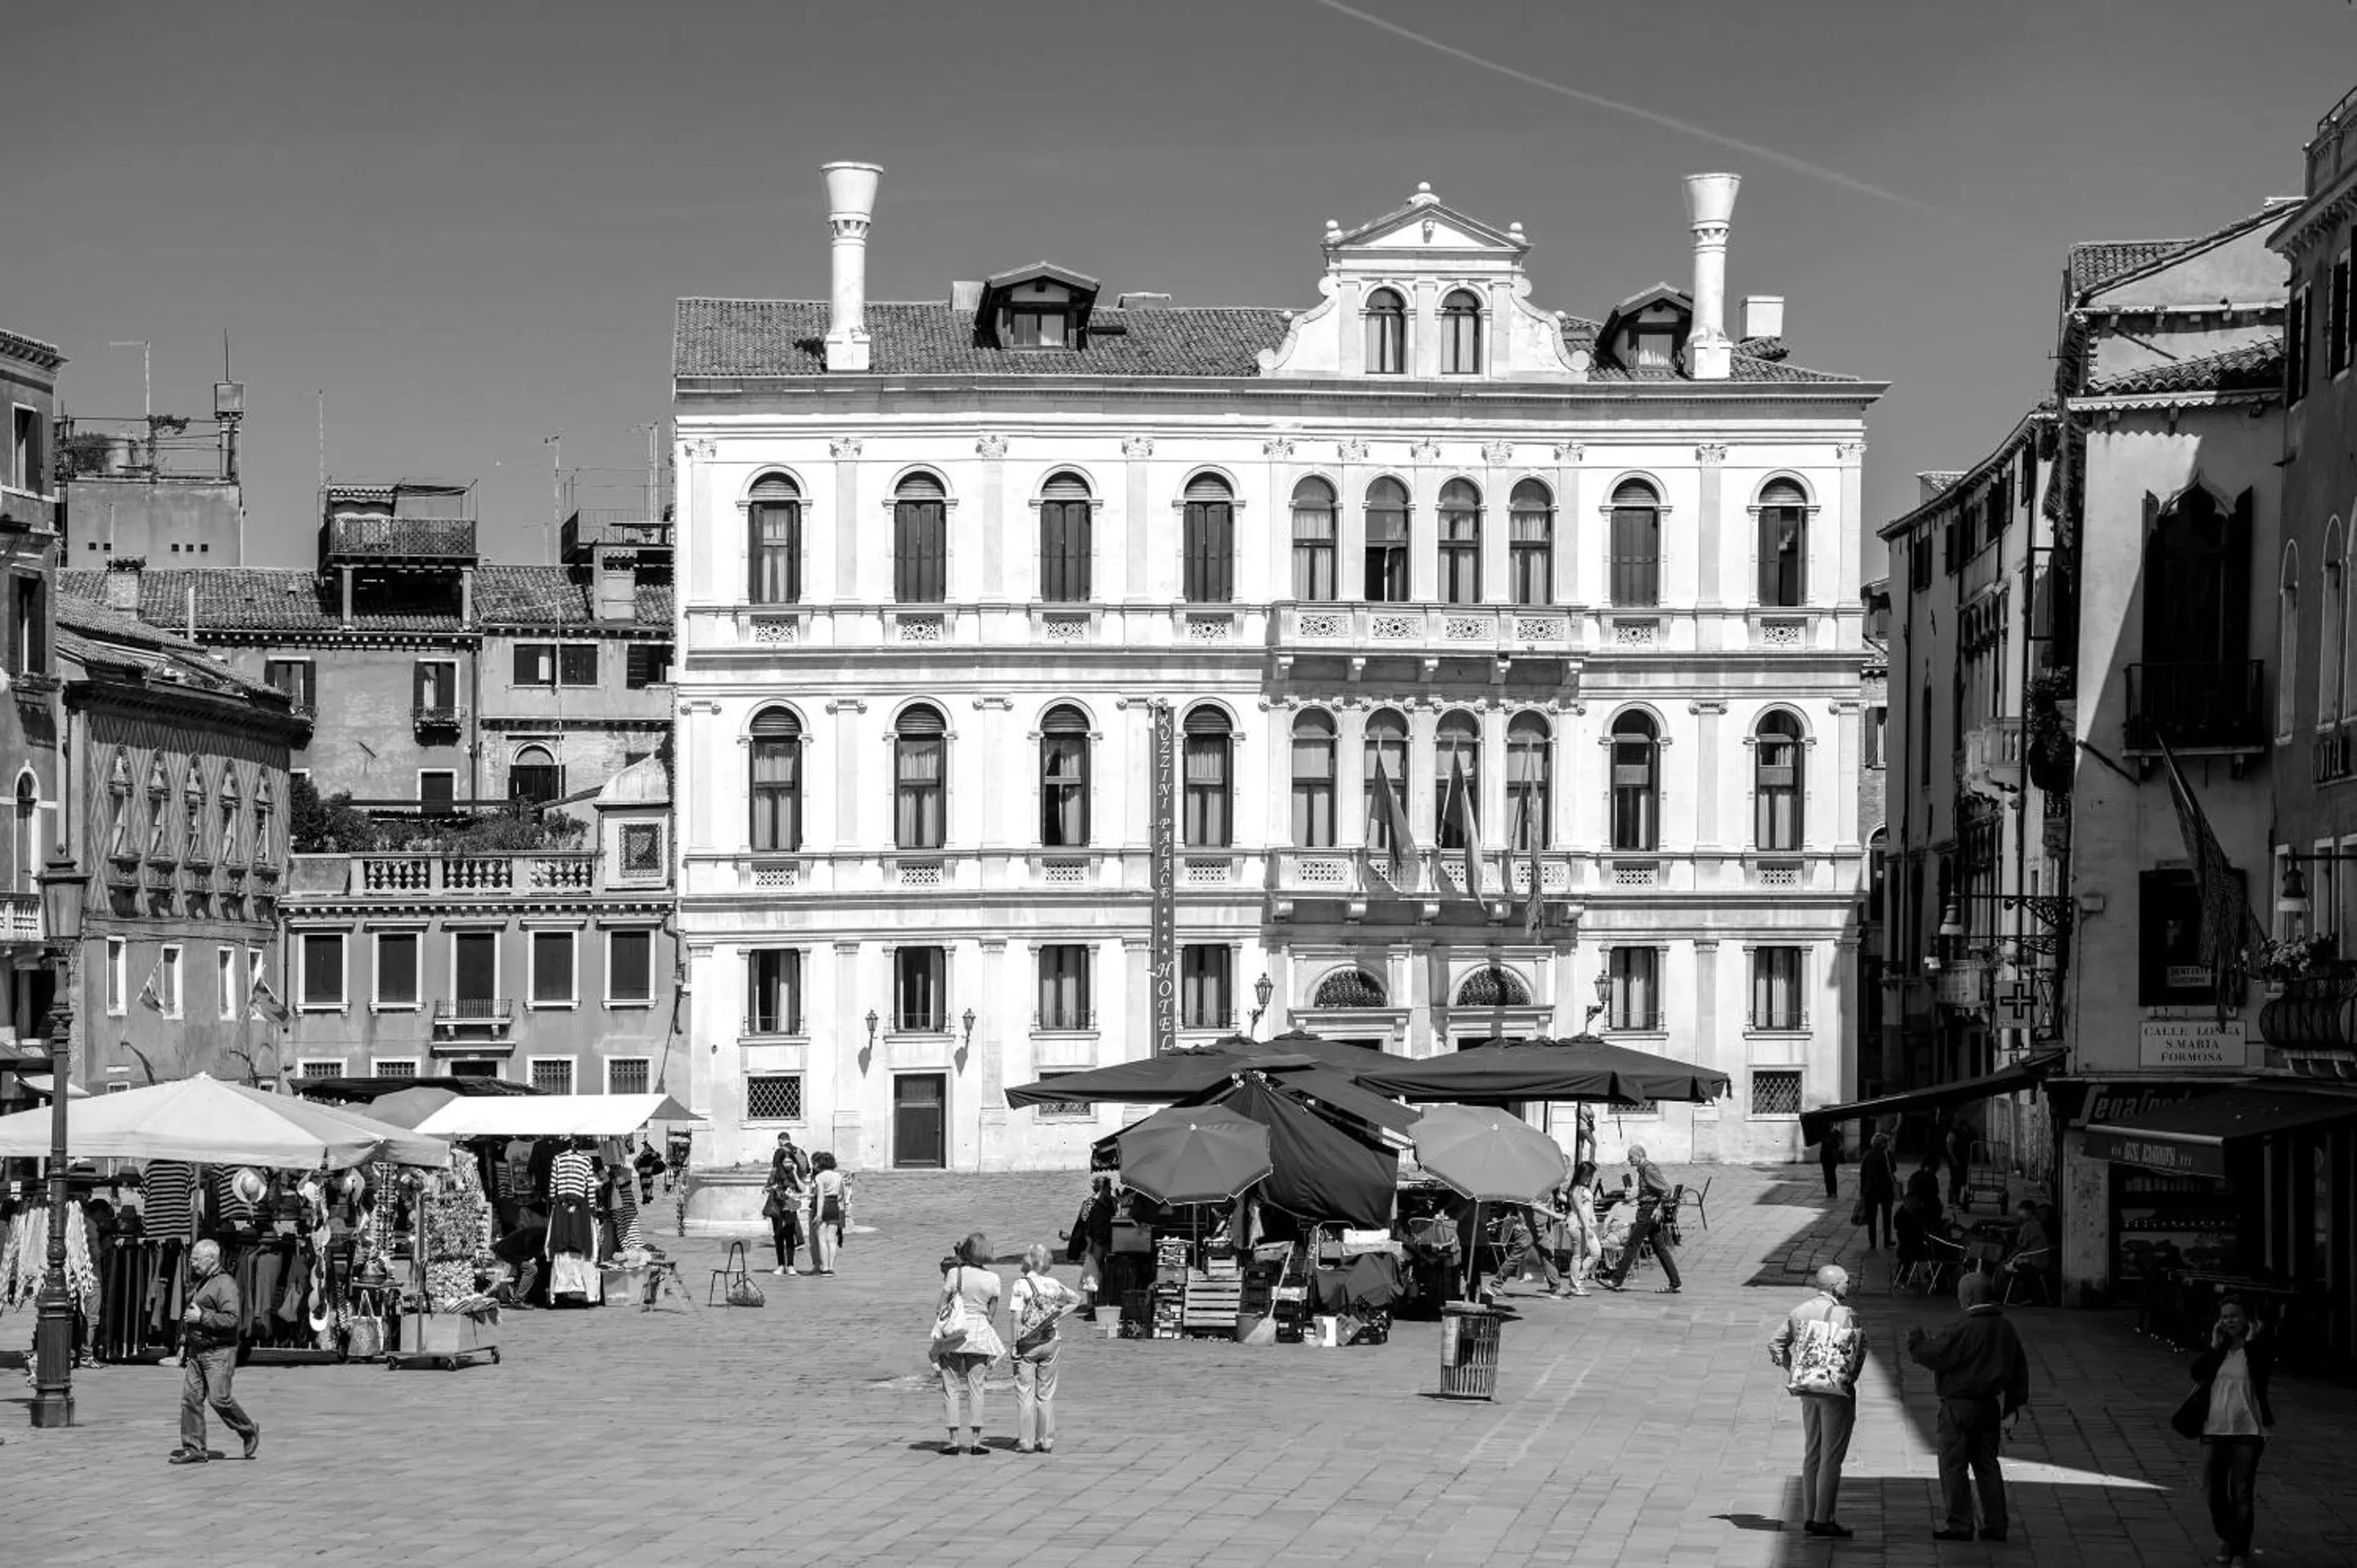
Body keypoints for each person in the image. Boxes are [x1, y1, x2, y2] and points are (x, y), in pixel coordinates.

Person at [1907, 1272, 2030, 1543]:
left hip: (1958, 1407)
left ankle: (1961, 1525)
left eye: (1962, 1293)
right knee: (1988, 1465)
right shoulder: (2005, 1327)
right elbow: (2019, 1370)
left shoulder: (1961, 1327)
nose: (1959, 1298)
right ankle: (1996, 1525)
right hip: (1989, 1407)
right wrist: (2012, 1407)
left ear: (1970, 1297)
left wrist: (1917, 1339)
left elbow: (1935, 1356)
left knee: (1954, 1466)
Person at [1769, 1265, 1865, 1539]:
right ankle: (1824, 1519)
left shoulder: (1799, 1311)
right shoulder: (1847, 1315)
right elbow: (1855, 1354)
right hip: (1835, 1392)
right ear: (1835, 1286)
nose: (1849, 1286)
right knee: (1832, 1457)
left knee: (1812, 1452)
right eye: (1846, 1282)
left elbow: (1775, 1345)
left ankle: (1810, 1516)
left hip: (1809, 1391)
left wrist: (1796, 1372)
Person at [2188, 1298, 2273, 1566]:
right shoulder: (2220, 1349)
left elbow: (2262, 1368)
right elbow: (2197, 1373)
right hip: (2213, 1430)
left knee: (2242, 1492)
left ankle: (2240, 1551)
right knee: (2214, 1491)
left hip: (2248, 1431)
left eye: (2234, 1316)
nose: (2228, 1321)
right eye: (2224, 1317)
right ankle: (2226, 1536)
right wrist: (2214, 1345)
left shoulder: (2258, 1349)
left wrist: (2251, 1341)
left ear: (2248, 1319)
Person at [172, 1240, 260, 1464]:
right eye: (191, 1259)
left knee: (219, 1399)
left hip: (219, 1351)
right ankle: (194, 1448)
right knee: (190, 1399)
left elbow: (232, 1319)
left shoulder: (225, 1284)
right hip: (197, 1351)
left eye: (196, 1259)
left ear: (211, 1259)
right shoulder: (201, 1282)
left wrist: (202, 1317)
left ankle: (248, 1429)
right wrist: (185, 1340)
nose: (192, 1263)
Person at [935, 1232, 1005, 1455]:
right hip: (980, 1334)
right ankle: (976, 1440)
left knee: (951, 1387)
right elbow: (992, 1312)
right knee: (977, 1387)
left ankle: (953, 1440)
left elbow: (941, 1306)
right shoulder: (993, 1279)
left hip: (955, 1335)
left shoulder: (955, 1273)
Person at [1010, 1245, 1079, 1455]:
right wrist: (1058, 1314)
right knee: (1046, 1393)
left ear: (1029, 1261)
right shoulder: (1053, 1283)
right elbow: (1076, 1299)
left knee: (1025, 1392)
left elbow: (1016, 1318)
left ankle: (1026, 1440)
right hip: (1051, 1340)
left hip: (1028, 1343)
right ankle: (1046, 1439)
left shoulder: (1021, 1285)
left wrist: (1014, 1344)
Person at [1596, 1145, 1681, 1295]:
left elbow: (1666, 1189)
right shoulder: (1643, 1170)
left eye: (1631, 1158)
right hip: (1647, 1209)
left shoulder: (1648, 1168)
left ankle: (1616, 1280)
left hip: (1648, 1210)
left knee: (1632, 1244)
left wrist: (1659, 1207)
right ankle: (1675, 1282)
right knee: (1659, 1248)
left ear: (1639, 1156)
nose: (1629, 1161)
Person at [1483, 1204, 1564, 1300]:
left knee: (1548, 1257)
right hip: (1527, 1229)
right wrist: (1555, 1215)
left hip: (1541, 1228)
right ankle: (1494, 1285)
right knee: (1515, 1258)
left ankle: (1556, 1288)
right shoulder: (1531, 1190)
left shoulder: (1545, 1190)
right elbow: (1535, 1205)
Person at [764, 1133, 809, 1277]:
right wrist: (772, 1188)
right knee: (778, 1236)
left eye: (791, 1162)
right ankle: (780, 1265)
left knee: (789, 1235)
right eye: (786, 1163)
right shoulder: (775, 1174)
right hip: (777, 1207)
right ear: (781, 1163)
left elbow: (803, 1189)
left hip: (790, 1206)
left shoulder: (793, 1175)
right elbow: (766, 1188)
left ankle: (790, 1265)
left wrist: (795, 1175)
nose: (789, 1165)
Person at [1996, 1199, 2051, 1302]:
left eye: (2021, 1212)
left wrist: (2009, 1259)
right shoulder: (2038, 1224)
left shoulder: (2029, 1226)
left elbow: (2020, 1246)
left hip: (2033, 1263)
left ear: (2029, 1212)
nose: (2018, 1215)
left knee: (2003, 1268)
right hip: (2042, 1261)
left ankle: (2013, 1297)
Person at [1562, 1160, 1602, 1296]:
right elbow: (1579, 1209)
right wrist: (1587, 1226)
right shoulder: (1577, 1189)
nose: (1589, 1178)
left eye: (1591, 1176)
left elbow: (1588, 1207)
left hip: (1584, 1224)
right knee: (1578, 1256)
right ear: (1580, 1174)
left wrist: (1593, 1218)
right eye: (1587, 1175)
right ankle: (1575, 1285)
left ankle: (1577, 1279)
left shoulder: (1584, 1189)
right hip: (1578, 1224)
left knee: (1595, 1252)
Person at [806, 1151, 849, 1275]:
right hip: (834, 1205)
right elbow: (842, 1194)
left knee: (822, 1239)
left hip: (824, 1206)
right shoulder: (838, 1176)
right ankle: (831, 1267)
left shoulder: (820, 1177)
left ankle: (824, 1267)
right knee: (832, 1239)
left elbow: (820, 1197)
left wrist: (819, 1214)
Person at [1855, 1133, 1896, 1251]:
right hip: (1886, 1189)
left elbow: (1863, 1174)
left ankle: (1872, 1242)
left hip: (1870, 1190)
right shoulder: (1887, 1154)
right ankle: (1887, 1241)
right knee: (1887, 1216)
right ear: (1884, 1144)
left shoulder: (1867, 1155)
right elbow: (1893, 1169)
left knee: (1872, 1217)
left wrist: (1862, 1191)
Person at [1945, 1116, 1975, 1210]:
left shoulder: (1964, 1133)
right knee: (1954, 1181)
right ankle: (1951, 1201)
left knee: (1961, 1181)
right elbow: (1949, 1147)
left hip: (1962, 1161)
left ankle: (1957, 1200)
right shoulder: (1953, 1133)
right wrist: (1954, 1159)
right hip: (1956, 1161)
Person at [1818, 1123, 1846, 1201]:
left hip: (1833, 1157)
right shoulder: (1824, 1133)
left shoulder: (1837, 1133)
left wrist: (1840, 1152)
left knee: (1832, 1173)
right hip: (1824, 1156)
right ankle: (1829, 1192)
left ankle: (1833, 1191)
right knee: (1827, 1175)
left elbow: (1841, 1144)